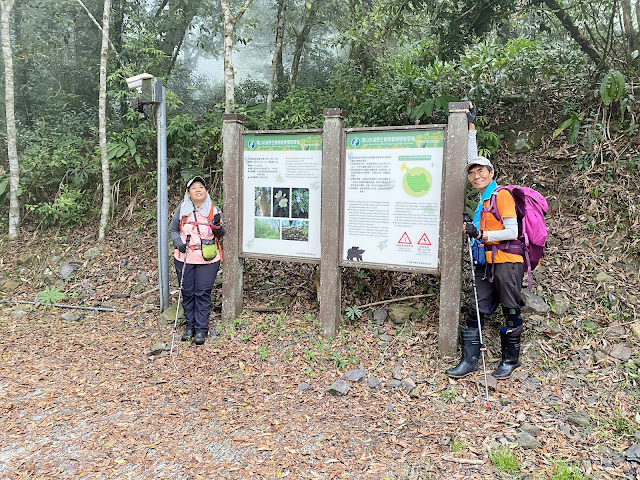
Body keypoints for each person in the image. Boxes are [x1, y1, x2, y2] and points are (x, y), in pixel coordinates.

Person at [445, 103, 525, 380]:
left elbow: (512, 231)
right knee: (477, 307)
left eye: (482, 171)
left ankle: (510, 360)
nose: (476, 175)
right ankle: (469, 360)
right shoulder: (483, 197)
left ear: (492, 173)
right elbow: (471, 156)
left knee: (510, 308)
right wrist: (471, 126)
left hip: (507, 262)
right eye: (472, 173)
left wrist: (481, 235)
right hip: (486, 263)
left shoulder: (500, 196)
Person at [170, 176, 225, 346]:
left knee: (202, 293)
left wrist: (217, 226)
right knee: (187, 292)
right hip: (184, 257)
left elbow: (221, 233)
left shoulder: (214, 211)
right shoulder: (181, 211)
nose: (198, 190)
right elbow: (173, 230)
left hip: (208, 259)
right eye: (194, 188)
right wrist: (178, 244)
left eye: (201, 187)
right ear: (188, 193)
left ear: (206, 191)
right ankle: (190, 327)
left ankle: (201, 329)